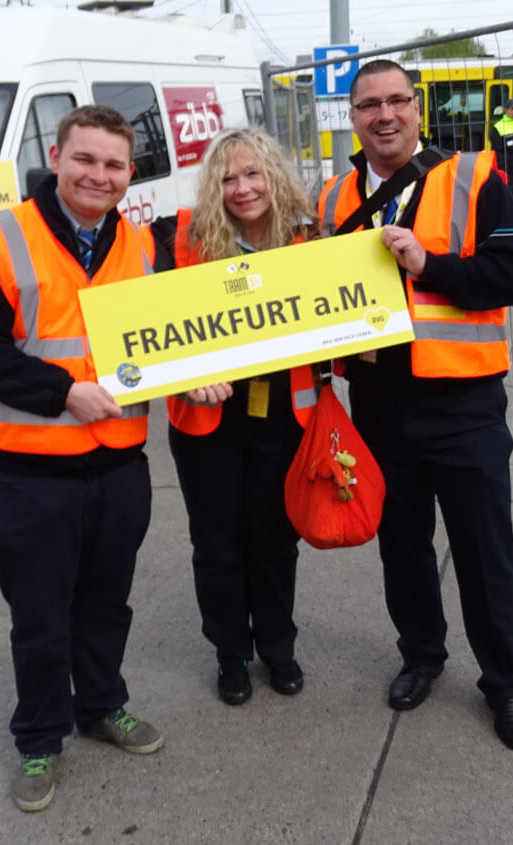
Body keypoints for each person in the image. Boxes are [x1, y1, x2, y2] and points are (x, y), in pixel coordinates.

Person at [0, 104, 168, 813]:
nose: (98, 175)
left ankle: (102, 704)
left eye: (113, 165)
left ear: (129, 173)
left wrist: (196, 371)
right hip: (31, 465)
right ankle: (40, 737)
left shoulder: (139, 244)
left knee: (106, 602)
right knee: (40, 613)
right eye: (85, 160)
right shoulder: (0, 239)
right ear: (57, 155)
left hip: (118, 462)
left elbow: (157, 341)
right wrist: (60, 392)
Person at [317, 59, 513, 751]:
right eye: (368, 106)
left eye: (396, 102)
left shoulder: (473, 179)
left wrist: (429, 265)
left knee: (484, 555)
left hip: (464, 406)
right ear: (351, 117)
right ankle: (422, 655)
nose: (383, 115)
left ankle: (506, 685)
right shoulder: (332, 199)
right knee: (402, 548)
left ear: (418, 108)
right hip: (379, 407)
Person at [148, 128, 320, 706]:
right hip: (207, 425)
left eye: (253, 174)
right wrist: (184, 376)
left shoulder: (310, 237)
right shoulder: (181, 239)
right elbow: (145, 329)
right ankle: (230, 654)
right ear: (211, 187)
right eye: (228, 178)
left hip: (283, 419)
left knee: (275, 542)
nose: (243, 188)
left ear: (275, 176)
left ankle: (278, 646)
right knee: (218, 546)